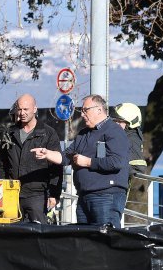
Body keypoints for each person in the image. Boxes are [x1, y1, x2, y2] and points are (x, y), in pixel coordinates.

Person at [31, 94, 129, 228]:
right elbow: (66, 157)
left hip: (106, 197)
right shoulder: (84, 134)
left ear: (99, 110)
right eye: (82, 110)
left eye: (85, 110)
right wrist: (47, 153)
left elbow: (117, 162)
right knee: (85, 243)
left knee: (105, 242)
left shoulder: (114, 131)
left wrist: (88, 162)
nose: (82, 114)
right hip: (84, 197)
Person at [0, 94, 61, 223]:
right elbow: (2, 164)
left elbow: (56, 167)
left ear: (35, 109)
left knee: (38, 236)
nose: (22, 113)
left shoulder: (48, 133)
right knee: (10, 235)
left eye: (26, 109)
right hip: (11, 193)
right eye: (19, 109)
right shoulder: (9, 133)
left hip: (37, 195)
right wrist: (1, 189)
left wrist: (54, 194)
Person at [112, 102, 148, 179]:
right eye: (115, 120)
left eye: (120, 121)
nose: (115, 123)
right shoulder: (122, 136)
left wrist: (111, 168)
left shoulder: (132, 139)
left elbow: (139, 168)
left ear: (130, 123)